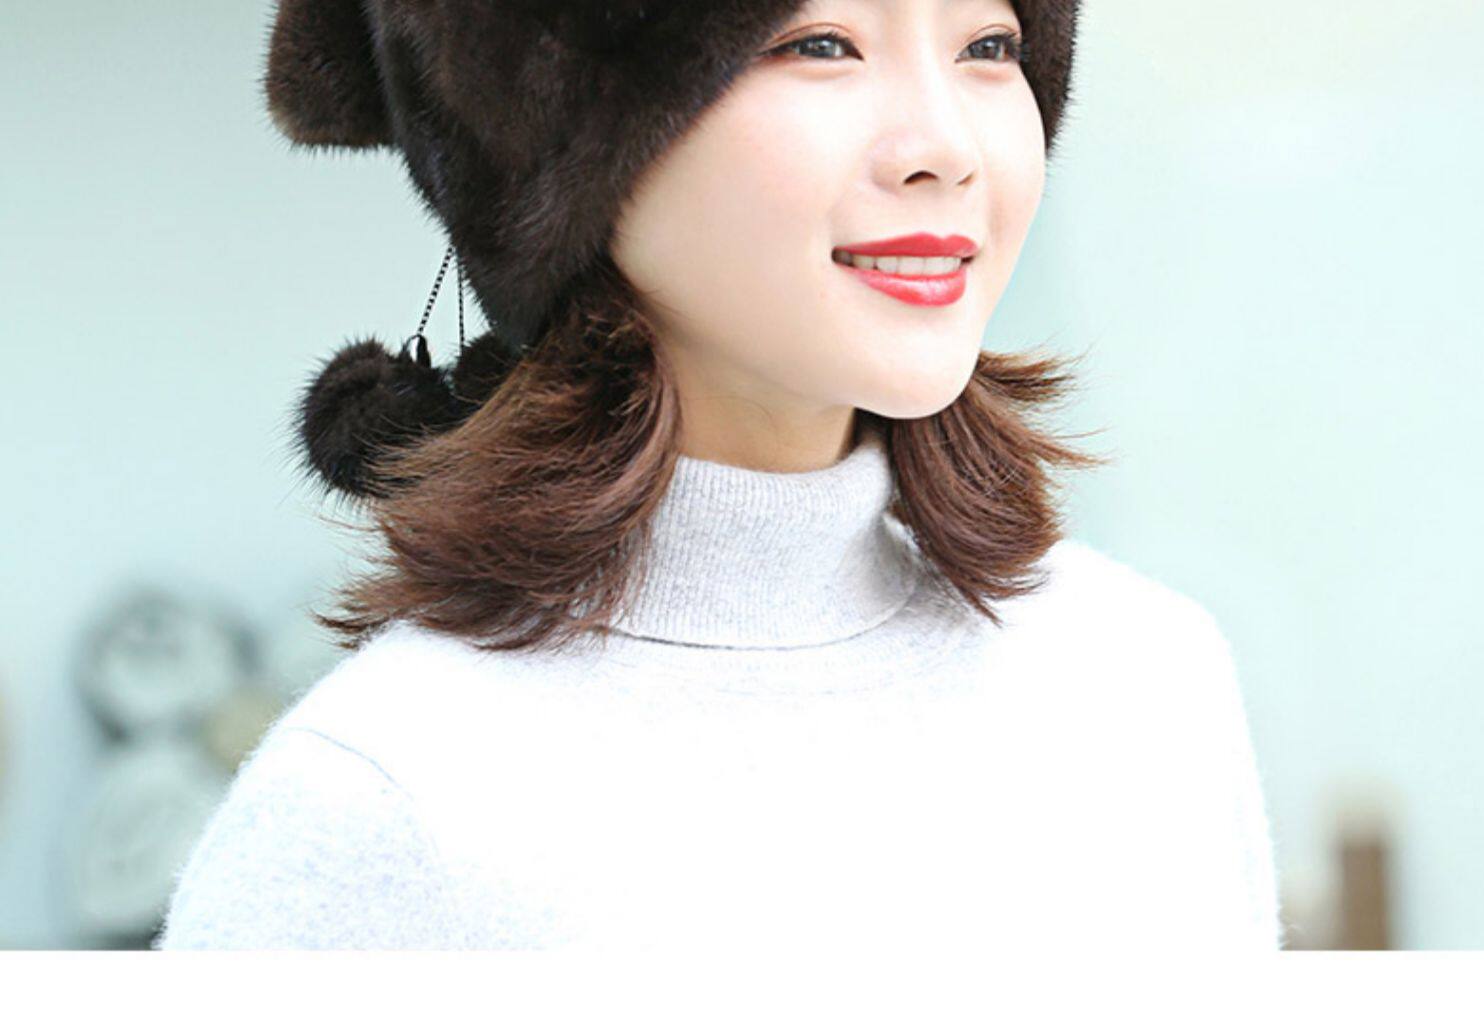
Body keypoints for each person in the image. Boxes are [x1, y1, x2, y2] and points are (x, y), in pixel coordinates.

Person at [155, 0, 1282, 951]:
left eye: (988, 46)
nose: (947, 147)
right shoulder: (386, 800)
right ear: (548, 142)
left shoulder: (1147, 679)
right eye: (820, 44)